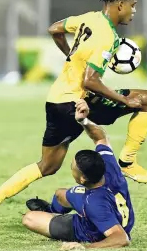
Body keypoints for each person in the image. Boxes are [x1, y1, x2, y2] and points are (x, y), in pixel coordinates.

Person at [0, 0, 147, 236]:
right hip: (76, 102)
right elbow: (91, 81)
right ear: (120, 4)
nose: (134, 11)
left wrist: (71, 57)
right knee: (146, 100)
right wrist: (125, 101)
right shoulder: (108, 37)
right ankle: (127, 160)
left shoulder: (88, 18)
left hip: (56, 100)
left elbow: (54, 29)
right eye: (133, 6)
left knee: (46, 166)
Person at [23, 99, 134, 249]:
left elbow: (121, 238)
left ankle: (57, 216)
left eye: (73, 168)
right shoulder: (109, 167)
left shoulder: (93, 203)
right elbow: (101, 137)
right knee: (60, 194)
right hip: (109, 209)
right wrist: (83, 120)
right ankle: (51, 210)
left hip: (90, 230)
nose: (71, 167)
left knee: (30, 218)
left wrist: (85, 247)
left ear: (82, 178)